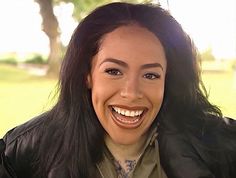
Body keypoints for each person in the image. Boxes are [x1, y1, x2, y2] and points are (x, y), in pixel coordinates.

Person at [0, 2, 236, 178]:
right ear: (87, 75)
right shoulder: (19, 154)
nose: (131, 93)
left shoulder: (224, 148)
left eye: (150, 75)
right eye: (113, 71)